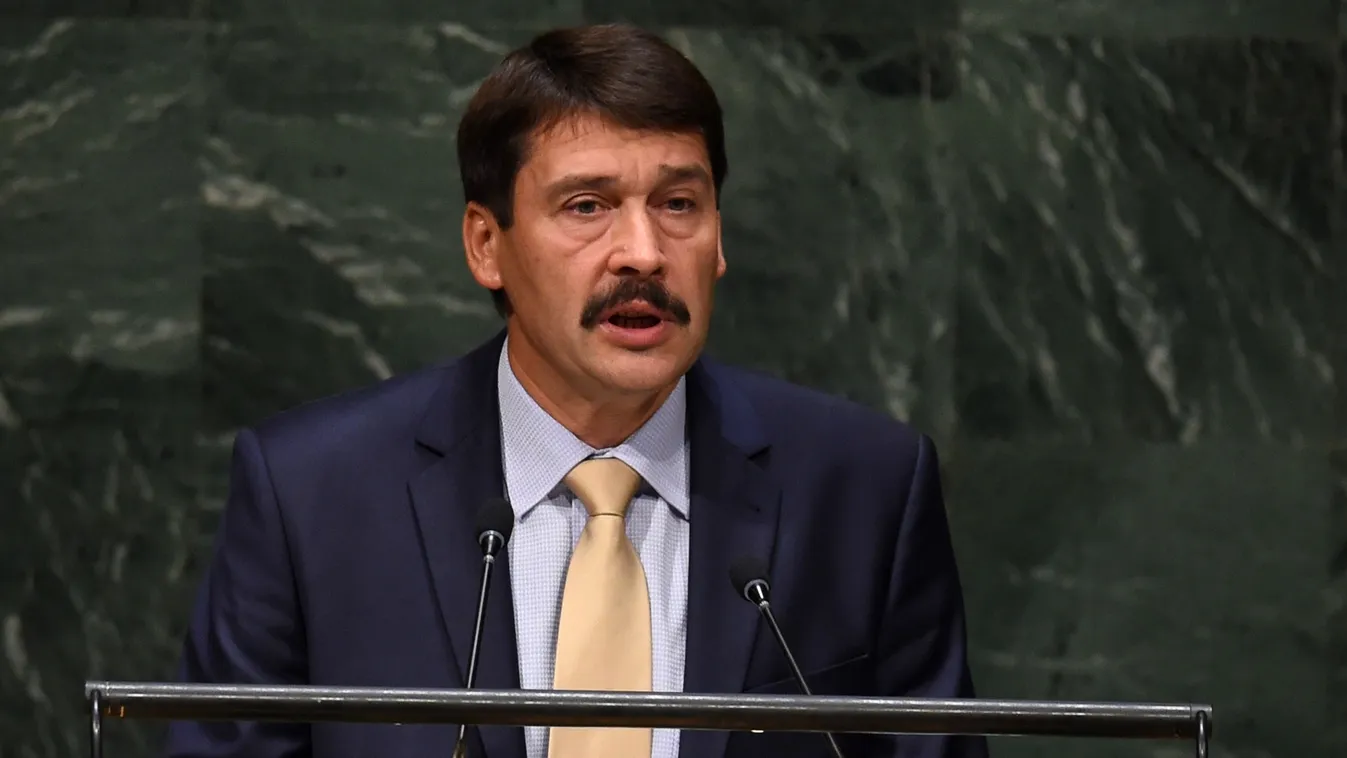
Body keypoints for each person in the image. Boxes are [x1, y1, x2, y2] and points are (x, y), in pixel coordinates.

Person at [164, 22, 987, 758]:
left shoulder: (864, 487)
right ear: (487, 245)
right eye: (587, 205)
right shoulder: (311, 493)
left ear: (718, 238)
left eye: (678, 204)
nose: (643, 251)